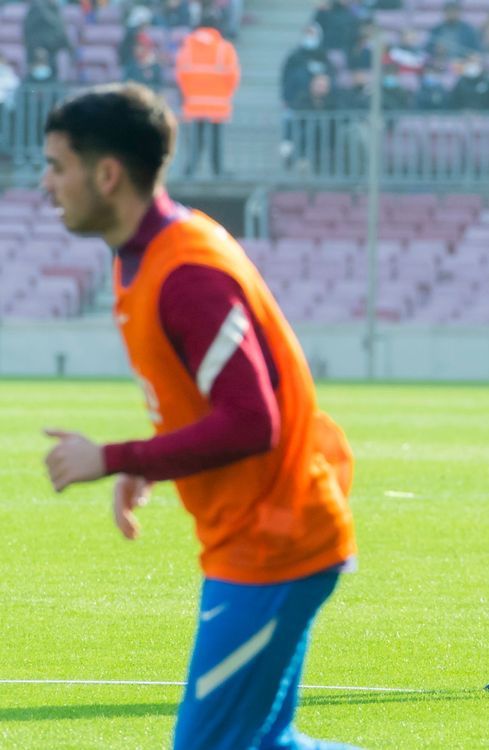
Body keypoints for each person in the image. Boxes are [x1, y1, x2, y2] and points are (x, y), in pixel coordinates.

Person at [39, 82, 358, 750]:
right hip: (257, 534)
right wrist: (155, 462)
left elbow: (251, 421)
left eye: (57, 166)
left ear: (107, 174)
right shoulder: (148, 257)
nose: (47, 186)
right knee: (260, 744)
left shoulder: (185, 272)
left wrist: (115, 458)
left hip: (275, 538)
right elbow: (208, 398)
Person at [175, 15, 240, 177]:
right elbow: (233, 76)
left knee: (195, 140)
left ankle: (190, 170)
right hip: (218, 103)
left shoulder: (187, 48)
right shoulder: (224, 48)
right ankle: (218, 171)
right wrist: (224, 94)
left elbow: (180, 75)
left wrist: (190, 93)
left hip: (194, 103)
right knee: (216, 140)